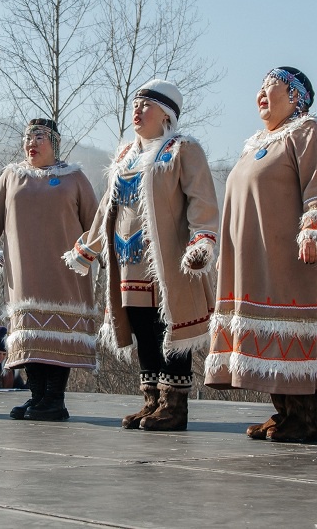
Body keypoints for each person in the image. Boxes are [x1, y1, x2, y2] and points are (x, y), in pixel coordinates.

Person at [204, 68, 317, 442]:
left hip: (290, 258)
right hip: (253, 259)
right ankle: (285, 413)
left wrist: (313, 229)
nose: (261, 92)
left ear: (295, 95)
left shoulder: (311, 130)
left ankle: (305, 419)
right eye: (259, 85)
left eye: (271, 86)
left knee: (292, 330)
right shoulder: (257, 141)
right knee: (269, 333)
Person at [65, 79, 219, 431]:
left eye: (146, 104)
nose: (137, 109)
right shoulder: (125, 155)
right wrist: (90, 246)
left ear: (165, 115)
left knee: (171, 327)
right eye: (135, 103)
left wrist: (203, 239)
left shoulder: (182, 149)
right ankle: (151, 401)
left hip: (167, 262)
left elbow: (201, 198)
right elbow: (108, 207)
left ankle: (174, 405)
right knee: (142, 329)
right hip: (128, 261)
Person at [0, 118, 98, 421]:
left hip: (65, 268)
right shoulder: (12, 177)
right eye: (27, 137)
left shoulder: (73, 177)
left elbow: (96, 221)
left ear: (54, 142)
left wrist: (97, 252)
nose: (32, 143)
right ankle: (38, 396)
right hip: (24, 270)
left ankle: (54, 399)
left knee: (57, 332)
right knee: (30, 335)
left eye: (39, 137)